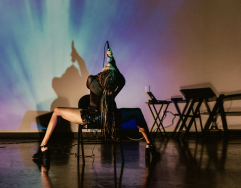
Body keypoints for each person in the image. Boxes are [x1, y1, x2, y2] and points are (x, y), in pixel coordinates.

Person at [32, 45, 160, 161]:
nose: (106, 66)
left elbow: (90, 73)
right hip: (112, 118)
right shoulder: (118, 84)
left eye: (106, 68)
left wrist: (84, 59)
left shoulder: (92, 81)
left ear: (102, 75)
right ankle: (150, 145)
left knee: (57, 111)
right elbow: (119, 76)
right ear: (114, 77)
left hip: (90, 118)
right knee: (137, 112)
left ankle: (44, 146)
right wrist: (112, 61)